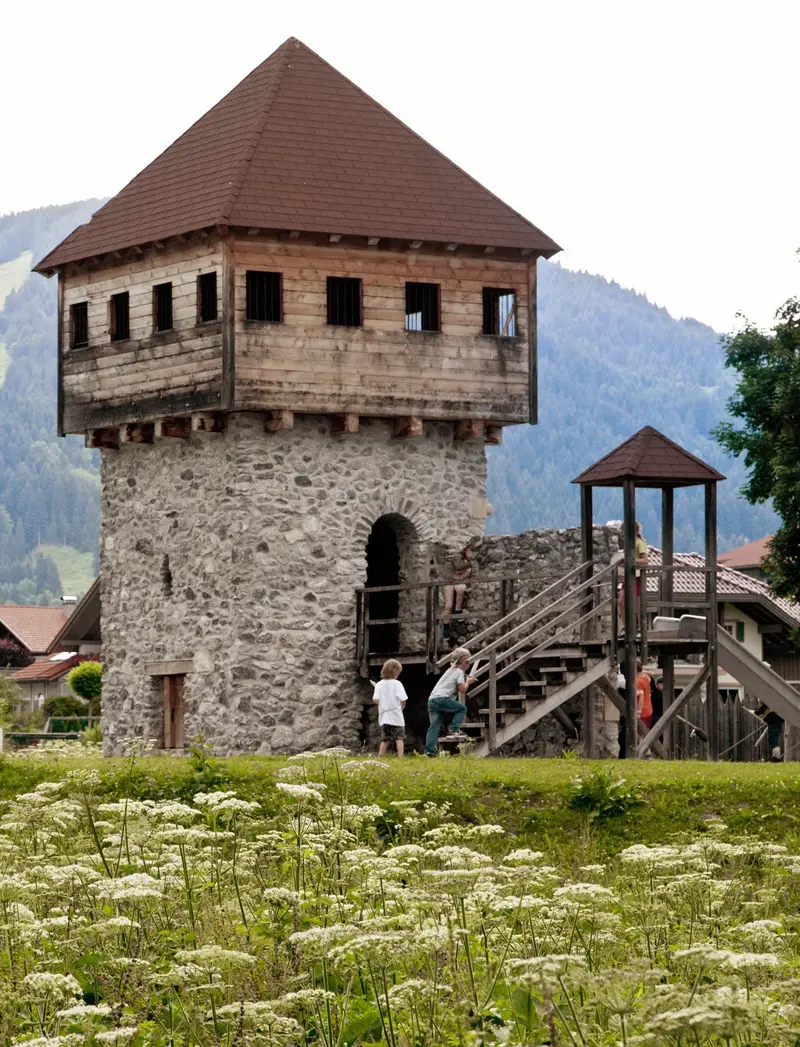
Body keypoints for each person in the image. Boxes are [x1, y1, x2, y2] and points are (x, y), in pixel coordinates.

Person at [426, 647, 475, 755]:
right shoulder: (459, 672)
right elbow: (463, 690)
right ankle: (454, 730)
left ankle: (429, 752)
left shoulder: (450, 670)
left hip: (432, 699)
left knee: (434, 726)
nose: (470, 664)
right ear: (465, 661)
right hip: (442, 699)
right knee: (462, 709)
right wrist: (468, 681)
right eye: (469, 661)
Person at [615, 522, 649, 632]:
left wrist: (630, 561)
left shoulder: (640, 543)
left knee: (638, 605)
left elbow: (645, 561)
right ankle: (627, 627)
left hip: (638, 576)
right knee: (621, 601)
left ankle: (641, 629)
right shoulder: (628, 545)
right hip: (628, 576)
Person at [373, 658, 408, 757]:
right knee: (399, 738)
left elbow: (375, 699)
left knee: (385, 739)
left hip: (384, 716)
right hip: (396, 715)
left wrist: (383, 701)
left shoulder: (379, 684)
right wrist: (402, 707)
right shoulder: (397, 684)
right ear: (395, 671)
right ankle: (401, 757)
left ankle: (380, 756)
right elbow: (403, 699)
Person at [442, 545, 473, 641]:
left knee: (460, 589)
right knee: (448, 605)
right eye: (470, 552)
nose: (471, 554)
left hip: (457, 581)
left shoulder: (468, 564)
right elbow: (458, 568)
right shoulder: (457, 557)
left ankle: (458, 609)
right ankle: (446, 627)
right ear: (465, 551)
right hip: (448, 581)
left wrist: (459, 577)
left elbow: (464, 576)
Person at [636, 659, 653, 730]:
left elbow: (641, 697)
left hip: (642, 712)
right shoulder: (646, 677)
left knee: (640, 735)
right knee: (646, 732)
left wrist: (638, 713)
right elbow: (649, 674)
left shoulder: (637, 682)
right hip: (649, 710)